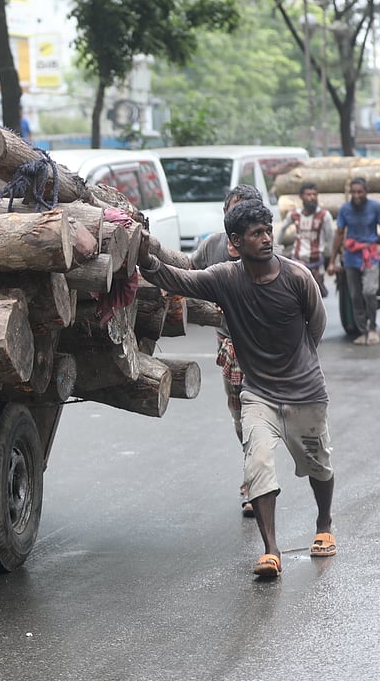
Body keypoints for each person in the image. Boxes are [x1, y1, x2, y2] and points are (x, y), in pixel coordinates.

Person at [138, 199, 335, 578]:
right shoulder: (226, 278)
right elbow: (178, 280)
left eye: (268, 231)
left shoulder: (297, 277)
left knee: (318, 465)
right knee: (257, 463)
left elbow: (317, 325)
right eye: (256, 234)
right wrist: (147, 261)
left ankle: (324, 525)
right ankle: (271, 551)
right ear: (235, 242)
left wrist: (297, 360)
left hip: (305, 392)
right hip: (258, 394)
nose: (265, 239)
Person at [190, 183, 262, 517]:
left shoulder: (267, 253)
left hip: (264, 349)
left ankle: (255, 483)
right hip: (230, 350)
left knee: (258, 416)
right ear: (225, 216)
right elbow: (187, 274)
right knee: (240, 418)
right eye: (236, 213)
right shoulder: (211, 248)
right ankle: (254, 475)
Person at [328, 177, 380, 345]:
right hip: (351, 257)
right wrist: (332, 260)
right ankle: (362, 331)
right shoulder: (345, 209)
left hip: (370, 255)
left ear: (366, 192)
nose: (356, 195)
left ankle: (373, 328)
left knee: (369, 291)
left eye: (360, 192)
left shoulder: (375, 207)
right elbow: (339, 234)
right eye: (353, 192)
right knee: (355, 296)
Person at [278, 182, 335, 298]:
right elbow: (282, 229)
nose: (312, 197)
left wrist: (334, 261)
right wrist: (277, 248)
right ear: (301, 197)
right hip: (298, 260)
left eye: (314, 194)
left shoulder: (324, 215)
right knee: (297, 296)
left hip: (316, 263)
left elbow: (331, 238)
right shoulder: (294, 215)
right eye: (308, 195)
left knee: (315, 298)